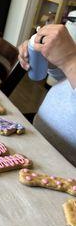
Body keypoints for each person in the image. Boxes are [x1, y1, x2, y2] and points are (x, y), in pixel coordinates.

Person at [18, 24, 76, 166]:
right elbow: (68, 82)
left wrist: (69, 60)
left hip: (63, 166)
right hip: (37, 136)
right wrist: (54, 63)